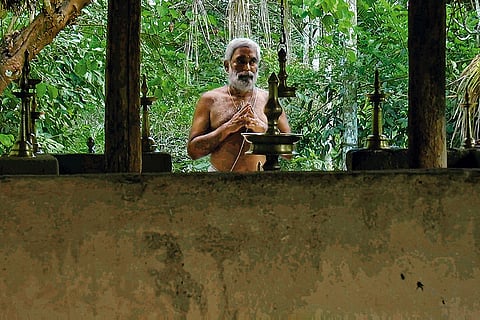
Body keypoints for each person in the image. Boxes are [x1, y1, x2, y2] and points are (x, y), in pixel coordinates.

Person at [187, 38, 291, 172]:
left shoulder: (269, 100)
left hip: (262, 182)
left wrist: (263, 129)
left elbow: (289, 152)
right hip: (219, 182)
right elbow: (193, 152)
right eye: (241, 61)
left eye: (252, 62)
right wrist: (228, 128)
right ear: (227, 65)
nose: (247, 68)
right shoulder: (210, 100)